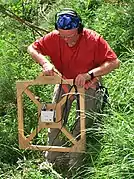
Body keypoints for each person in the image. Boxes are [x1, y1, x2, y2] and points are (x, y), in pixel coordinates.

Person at [27, 8, 120, 167]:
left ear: (80, 30)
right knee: (53, 120)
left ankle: (75, 164)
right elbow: (32, 48)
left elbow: (114, 62)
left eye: (71, 36)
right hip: (64, 82)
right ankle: (51, 159)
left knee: (82, 124)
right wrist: (45, 63)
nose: (67, 41)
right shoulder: (54, 37)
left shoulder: (93, 39)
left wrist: (90, 75)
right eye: (63, 37)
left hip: (88, 84)